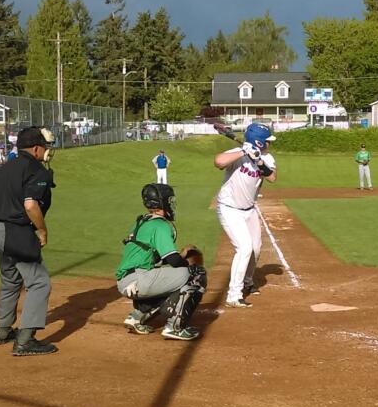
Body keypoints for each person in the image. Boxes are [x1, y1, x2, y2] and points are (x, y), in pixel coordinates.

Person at [0, 126, 57, 357]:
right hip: (14, 231)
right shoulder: (36, 169)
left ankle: (3, 331)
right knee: (40, 282)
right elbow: (30, 205)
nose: (46, 151)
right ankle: (25, 341)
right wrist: (42, 230)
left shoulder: (6, 166)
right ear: (36, 148)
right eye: (44, 147)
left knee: (10, 279)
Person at [115, 183, 207, 340]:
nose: (172, 204)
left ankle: (137, 317)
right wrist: (186, 263)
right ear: (162, 202)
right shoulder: (161, 225)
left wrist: (181, 255)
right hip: (140, 280)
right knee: (196, 274)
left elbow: (157, 260)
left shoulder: (143, 222)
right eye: (170, 200)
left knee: (170, 280)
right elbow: (172, 260)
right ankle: (175, 327)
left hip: (127, 281)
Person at [214, 123, 277, 308]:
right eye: (266, 141)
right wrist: (244, 151)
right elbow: (218, 162)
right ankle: (234, 295)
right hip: (229, 208)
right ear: (258, 141)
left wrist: (258, 161)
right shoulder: (237, 152)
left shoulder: (266, 156)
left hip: (249, 210)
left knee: (256, 248)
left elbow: (272, 177)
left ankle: (248, 281)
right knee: (244, 248)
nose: (269, 144)